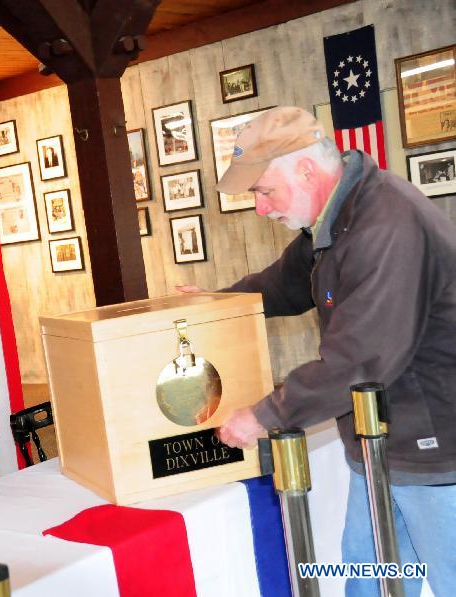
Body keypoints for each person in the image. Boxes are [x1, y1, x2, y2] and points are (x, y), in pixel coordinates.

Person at [184, 106, 456, 597]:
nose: (261, 209)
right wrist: (213, 306)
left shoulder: (384, 224)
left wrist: (266, 415)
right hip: (383, 445)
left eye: (264, 191)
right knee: (369, 581)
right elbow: (281, 285)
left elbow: (362, 358)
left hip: (437, 450)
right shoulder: (335, 220)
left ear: (306, 170)